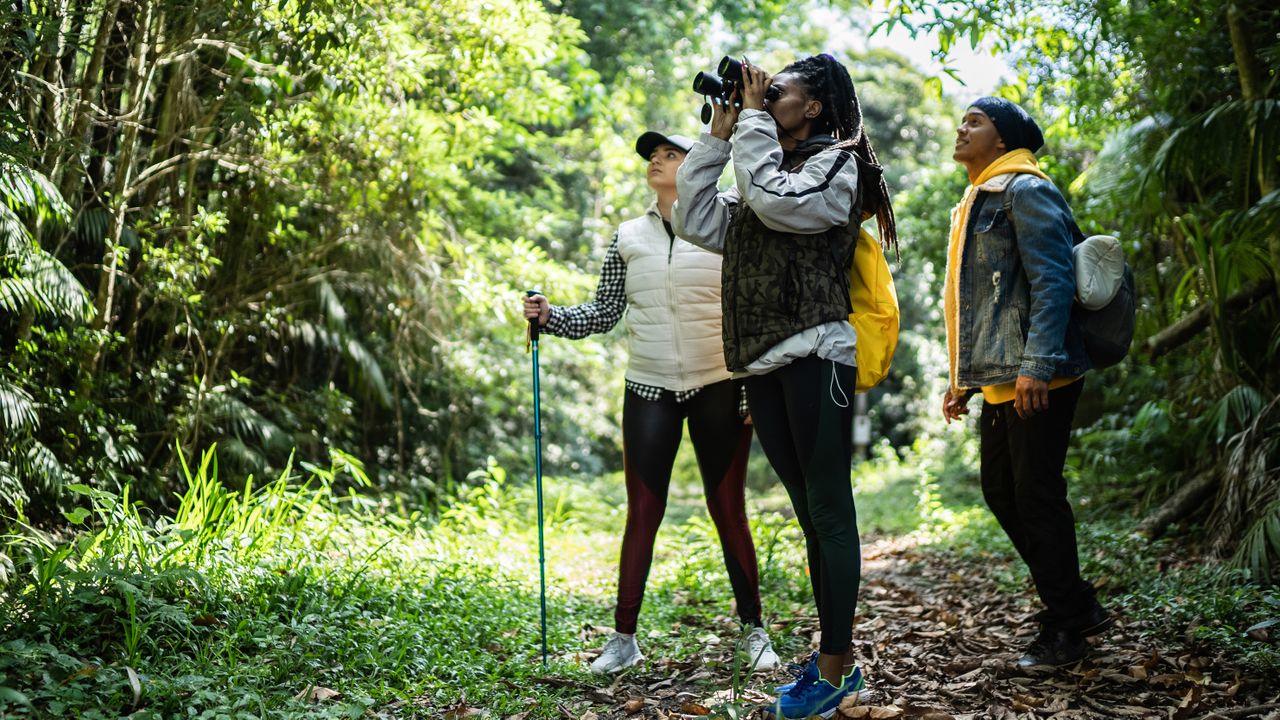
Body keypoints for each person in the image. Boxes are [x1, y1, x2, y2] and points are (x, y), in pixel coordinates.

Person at [673, 53, 897, 718]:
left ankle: (832, 673)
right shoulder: (763, 162)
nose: (764, 102)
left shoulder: (839, 164)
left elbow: (776, 202)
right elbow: (694, 216)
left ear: (816, 108)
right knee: (808, 517)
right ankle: (834, 665)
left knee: (828, 512)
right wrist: (719, 134)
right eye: (762, 94)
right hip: (764, 364)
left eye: (779, 93)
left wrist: (749, 128)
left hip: (818, 355)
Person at [522, 131, 779, 675]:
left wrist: (757, 382)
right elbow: (604, 312)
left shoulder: (729, 223)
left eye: (670, 155)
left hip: (720, 383)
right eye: (652, 158)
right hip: (648, 386)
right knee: (643, 512)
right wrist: (551, 316)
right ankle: (623, 640)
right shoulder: (627, 236)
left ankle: (754, 633)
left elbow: (755, 306)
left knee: (727, 508)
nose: (657, 163)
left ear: (698, 167)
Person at [940, 97, 1112, 668]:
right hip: (999, 379)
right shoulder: (979, 198)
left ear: (1005, 139)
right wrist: (962, 378)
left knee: (1035, 497)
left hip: (1040, 376)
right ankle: (1075, 605)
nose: (963, 128)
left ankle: (1067, 627)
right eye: (963, 120)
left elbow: (1054, 280)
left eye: (976, 122)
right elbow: (979, 302)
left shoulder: (1026, 191)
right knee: (1003, 492)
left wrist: (1039, 362)